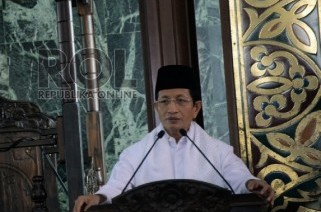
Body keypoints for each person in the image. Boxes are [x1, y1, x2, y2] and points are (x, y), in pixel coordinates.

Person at [73, 65, 275, 212]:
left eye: (180, 100)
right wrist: (97, 197)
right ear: (156, 107)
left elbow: (238, 177)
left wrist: (251, 183)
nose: (172, 109)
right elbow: (116, 187)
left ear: (196, 108)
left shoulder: (218, 152)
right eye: (164, 101)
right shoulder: (135, 154)